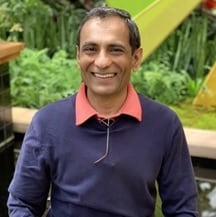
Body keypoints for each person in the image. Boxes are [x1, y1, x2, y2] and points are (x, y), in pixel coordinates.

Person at [7, 6, 198, 217]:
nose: (102, 61)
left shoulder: (164, 124)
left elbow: (183, 210)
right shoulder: (47, 122)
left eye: (115, 49)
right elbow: (22, 203)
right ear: (78, 55)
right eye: (91, 49)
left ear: (136, 58)